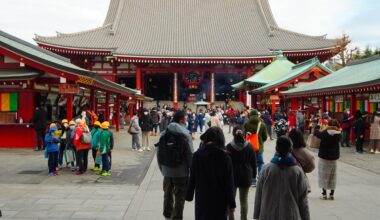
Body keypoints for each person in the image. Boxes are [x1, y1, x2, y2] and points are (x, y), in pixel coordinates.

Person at [253, 136, 310, 220]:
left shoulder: (266, 169)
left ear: (276, 148)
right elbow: (303, 199)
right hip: (290, 214)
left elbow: (259, 195)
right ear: (291, 149)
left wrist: (256, 215)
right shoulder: (297, 171)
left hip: (268, 214)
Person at [186, 127, 236, 220]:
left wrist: (189, 194)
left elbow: (192, 176)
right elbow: (229, 183)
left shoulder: (197, 155)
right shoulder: (225, 157)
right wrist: (231, 203)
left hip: (202, 197)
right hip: (219, 199)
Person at [157, 110, 194, 220]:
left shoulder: (164, 134)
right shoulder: (186, 134)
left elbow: (159, 154)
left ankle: (167, 215)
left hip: (167, 171)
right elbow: (190, 154)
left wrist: (162, 169)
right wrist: (191, 171)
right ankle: (177, 217)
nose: (187, 119)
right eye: (185, 117)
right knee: (179, 197)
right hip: (181, 172)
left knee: (167, 194)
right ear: (181, 119)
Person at [226, 126, 256, 220]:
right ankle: (244, 218)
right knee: (244, 200)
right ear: (243, 134)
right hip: (246, 175)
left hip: (232, 176)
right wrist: (254, 175)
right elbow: (253, 163)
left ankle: (231, 217)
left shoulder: (229, 146)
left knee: (231, 199)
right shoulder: (249, 146)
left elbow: (225, 163)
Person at [316, 119, 341, 200]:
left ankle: (324, 194)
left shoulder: (325, 133)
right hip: (334, 158)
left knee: (324, 175)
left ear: (328, 125)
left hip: (324, 157)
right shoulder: (339, 134)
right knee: (332, 175)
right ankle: (332, 194)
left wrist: (318, 128)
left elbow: (317, 134)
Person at [243, 109, 268, 186]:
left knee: (251, 163)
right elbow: (265, 137)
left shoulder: (246, 124)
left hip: (249, 147)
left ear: (250, 115)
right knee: (260, 163)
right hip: (259, 148)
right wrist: (260, 142)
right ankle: (260, 180)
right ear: (257, 115)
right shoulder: (262, 124)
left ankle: (253, 181)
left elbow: (244, 135)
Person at [288, 128, 315, 193]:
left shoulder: (285, 150)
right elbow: (312, 166)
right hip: (300, 181)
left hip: (286, 181)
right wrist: (302, 169)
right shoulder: (305, 152)